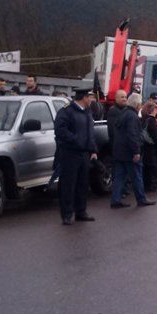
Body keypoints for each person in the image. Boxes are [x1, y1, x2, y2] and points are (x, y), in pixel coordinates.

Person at [54, 88, 97, 225]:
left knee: (82, 184)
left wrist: (93, 149)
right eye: (89, 97)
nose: (91, 100)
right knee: (68, 185)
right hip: (70, 153)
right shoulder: (66, 112)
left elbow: (90, 133)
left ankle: (81, 211)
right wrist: (76, 139)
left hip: (84, 153)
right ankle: (67, 214)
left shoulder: (87, 112)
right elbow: (60, 130)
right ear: (84, 98)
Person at [110, 93, 155, 208]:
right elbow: (132, 135)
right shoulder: (132, 117)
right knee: (136, 175)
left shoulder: (122, 113)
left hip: (119, 151)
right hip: (129, 152)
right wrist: (136, 151)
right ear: (137, 104)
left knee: (119, 176)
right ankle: (141, 198)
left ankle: (115, 199)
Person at [140, 100, 157, 191]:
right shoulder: (152, 120)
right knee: (151, 166)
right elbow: (154, 134)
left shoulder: (143, 118)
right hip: (151, 145)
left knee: (146, 166)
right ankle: (150, 185)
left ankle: (148, 184)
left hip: (145, 144)